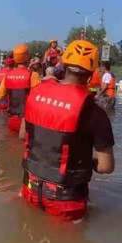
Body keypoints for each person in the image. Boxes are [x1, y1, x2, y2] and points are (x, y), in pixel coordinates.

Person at [21, 39, 115, 221]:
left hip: (29, 188)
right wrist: (87, 159)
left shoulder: (37, 92)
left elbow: (22, 135)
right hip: (66, 201)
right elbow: (106, 167)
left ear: (63, 65)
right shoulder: (95, 113)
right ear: (92, 74)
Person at [0, 44, 41, 132]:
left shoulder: (7, 76)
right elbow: (38, 101)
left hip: (12, 120)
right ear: (27, 57)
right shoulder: (33, 75)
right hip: (26, 122)